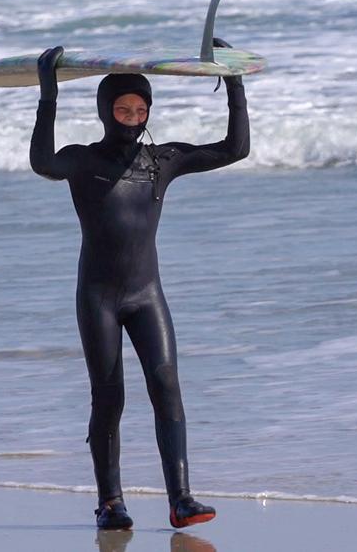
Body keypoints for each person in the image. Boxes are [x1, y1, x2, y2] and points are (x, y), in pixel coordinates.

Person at [29, 40, 250, 530]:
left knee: (166, 385)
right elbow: (43, 162)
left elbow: (235, 149)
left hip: (146, 295)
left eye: (140, 110)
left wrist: (233, 83)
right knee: (109, 398)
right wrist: (48, 95)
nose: (132, 118)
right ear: (105, 111)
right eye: (122, 109)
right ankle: (111, 503)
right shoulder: (82, 161)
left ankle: (182, 499)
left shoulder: (160, 162)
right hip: (99, 298)